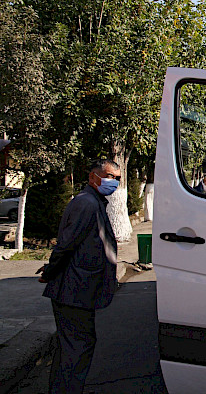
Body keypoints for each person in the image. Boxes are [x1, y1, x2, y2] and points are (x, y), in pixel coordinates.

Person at [38, 159, 121, 393]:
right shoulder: (86, 203)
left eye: (117, 178)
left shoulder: (94, 201)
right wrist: (50, 272)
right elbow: (65, 245)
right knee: (77, 347)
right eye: (109, 177)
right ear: (93, 177)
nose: (114, 182)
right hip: (72, 289)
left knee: (74, 347)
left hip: (80, 289)